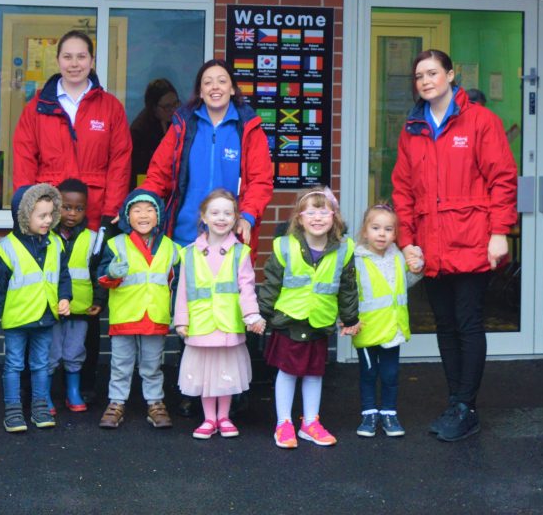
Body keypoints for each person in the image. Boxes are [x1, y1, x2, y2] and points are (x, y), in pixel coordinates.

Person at [391, 49, 518, 443]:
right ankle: (457, 402)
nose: (425, 81)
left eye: (432, 73)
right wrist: (407, 242)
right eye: (419, 76)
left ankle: (465, 405)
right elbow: (403, 191)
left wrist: (500, 232)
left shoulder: (480, 121)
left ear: (450, 75)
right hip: (431, 245)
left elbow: (503, 179)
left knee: (467, 324)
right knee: (444, 326)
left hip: (471, 240)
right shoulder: (412, 128)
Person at [258, 187, 360, 449]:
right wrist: (261, 315)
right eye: (311, 212)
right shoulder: (285, 247)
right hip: (289, 321)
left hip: (320, 321)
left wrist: (350, 320)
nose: (317, 217)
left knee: (315, 373)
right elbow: (271, 284)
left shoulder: (344, 249)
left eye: (324, 211)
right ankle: (284, 423)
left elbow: (348, 287)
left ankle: (310, 423)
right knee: (288, 372)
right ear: (299, 218)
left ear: (334, 217)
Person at [146, 59, 273, 249]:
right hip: (183, 239)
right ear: (200, 91)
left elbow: (260, 181)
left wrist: (247, 216)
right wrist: (140, 202)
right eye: (207, 82)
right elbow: (158, 175)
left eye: (222, 81)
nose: (215, 87)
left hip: (230, 240)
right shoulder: (183, 126)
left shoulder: (248, 128)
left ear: (232, 89)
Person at [12, 29, 132, 228]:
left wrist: (111, 212)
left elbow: (120, 163)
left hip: (94, 211)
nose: (74, 64)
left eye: (81, 57)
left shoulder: (111, 107)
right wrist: (28, 209)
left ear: (92, 60)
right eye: (67, 57)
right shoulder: (36, 108)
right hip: (48, 211)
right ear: (58, 60)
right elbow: (24, 162)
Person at [174, 189, 267, 439]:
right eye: (215, 212)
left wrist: (252, 316)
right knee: (206, 376)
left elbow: (246, 288)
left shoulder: (240, 252)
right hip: (201, 322)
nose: (221, 218)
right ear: (203, 217)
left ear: (236, 218)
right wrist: (181, 319)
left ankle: (224, 417)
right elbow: (183, 289)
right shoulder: (189, 252)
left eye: (228, 213)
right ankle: (209, 419)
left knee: (225, 374)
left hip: (227, 323)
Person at [0, 183, 71, 433]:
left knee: (41, 364)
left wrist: (65, 297)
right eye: (41, 215)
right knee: (14, 365)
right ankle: (13, 410)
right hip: (17, 319)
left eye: (51, 214)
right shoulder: (6, 248)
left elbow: (63, 276)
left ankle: (40, 407)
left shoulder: (56, 243)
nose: (48, 220)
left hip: (44, 315)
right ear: (23, 216)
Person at [94, 187, 178, 430]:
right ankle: (117, 402)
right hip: (125, 315)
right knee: (121, 364)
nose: (143, 215)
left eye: (150, 210)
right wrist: (110, 274)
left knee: (152, 364)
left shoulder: (171, 247)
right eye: (137, 210)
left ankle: (155, 403)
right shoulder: (116, 244)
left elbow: (179, 281)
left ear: (159, 216)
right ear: (126, 216)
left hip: (155, 316)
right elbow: (101, 276)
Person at [352, 202, 423, 438]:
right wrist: (346, 319)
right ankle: (369, 413)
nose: (381, 234)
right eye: (375, 228)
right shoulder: (356, 260)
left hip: (393, 327)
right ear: (365, 231)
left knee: (391, 374)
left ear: (395, 234)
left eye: (388, 229)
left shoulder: (398, 258)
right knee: (369, 374)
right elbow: (348, 292)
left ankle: (390, 414)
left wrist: (417, 269)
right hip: (367, 328)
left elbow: (405, 285)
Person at [51, 178, 101, 413]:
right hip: (50, 307)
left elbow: (99, 272)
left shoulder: (92, 238)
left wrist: (99, 300)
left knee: (75, 351)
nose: (72, 213)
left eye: (78, 208)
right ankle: (45, 395)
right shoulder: (45, 236)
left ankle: (73, 391)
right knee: (50, 352)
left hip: (81, 308)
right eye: (66, 207)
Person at [129, 78, 180, 188]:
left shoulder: (178, 122)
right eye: (167, 107)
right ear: (153, 107)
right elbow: (138, 171)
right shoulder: (140, 130)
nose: (173, 110)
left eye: (176, 104)